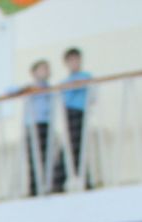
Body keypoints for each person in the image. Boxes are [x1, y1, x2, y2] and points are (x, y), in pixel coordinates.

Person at [12, 59, 63, 196]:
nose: (45, 71)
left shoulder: (50, 89)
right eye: (42, 69)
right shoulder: (30, 88)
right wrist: (27, 89)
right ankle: (34, 189)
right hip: (33, 126)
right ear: (34, 73)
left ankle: (49, 186)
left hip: (47, 125)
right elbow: (10, 91)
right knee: (34, 158)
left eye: (47, 68)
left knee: (50, 156)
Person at [59, 48, 94, 190]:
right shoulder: (65, 81)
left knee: (81, 146)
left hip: (81, 112)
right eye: (71, 60)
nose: (74, 63)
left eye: (76, 59)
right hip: (69, 113)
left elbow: (93, 96)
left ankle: (85, 179)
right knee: (70, 147)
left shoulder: (87, 76)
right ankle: (70, 178)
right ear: (66, 63)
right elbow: (64, 98)